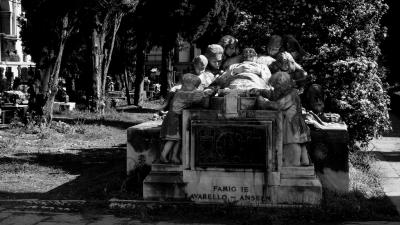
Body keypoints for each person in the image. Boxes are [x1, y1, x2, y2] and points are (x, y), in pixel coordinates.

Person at [256, 71, 311, 166]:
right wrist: (261, 91)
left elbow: (278, 105)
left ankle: (294, 164)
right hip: (293, 121)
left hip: (291, 123)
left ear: (282, 83)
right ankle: (303, 161)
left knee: (292, 142)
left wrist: (263, 103)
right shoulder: (285, 92)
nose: (275, 88)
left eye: (276, 85)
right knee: (299, 143)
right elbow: (272, 95)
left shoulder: (291, 93)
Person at [159, 73, 205, 164]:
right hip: (173, 119)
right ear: (187, 85)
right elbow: (195, 97)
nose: (196, 88)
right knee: (172, 139)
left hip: (176, 118)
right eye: (195, 86)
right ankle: (163, 155)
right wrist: (205, 92)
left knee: (178, 139)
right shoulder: (182, 94)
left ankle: (174, 157)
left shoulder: (181, 92)